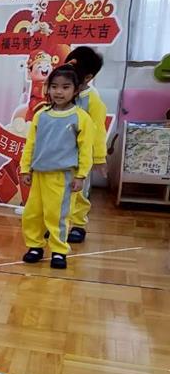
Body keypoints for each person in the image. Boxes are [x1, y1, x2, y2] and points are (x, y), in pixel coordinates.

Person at [20, 65, 93, 269]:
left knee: (57, 216)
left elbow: (85, 149)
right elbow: (31, 144)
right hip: (39, 175)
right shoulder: (41, 115)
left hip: (63, 177)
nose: (59, 92)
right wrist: (25, 168)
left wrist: (81, 175)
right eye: (54, 86)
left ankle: (59, 250)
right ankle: (35, 246)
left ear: (76, 90)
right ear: (48, 88)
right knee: (32, 214)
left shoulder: (80, 117)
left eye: (65, 87)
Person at [65, 46, 108, 243]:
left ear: (88, 77)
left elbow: (99, 130)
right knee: (57, 191)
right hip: (59, 153)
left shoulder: (92, 100)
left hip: (81, 156)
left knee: (79, 191)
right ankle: (56, 222)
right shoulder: (62, 93)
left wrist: (98, 158)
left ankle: (78, 224)